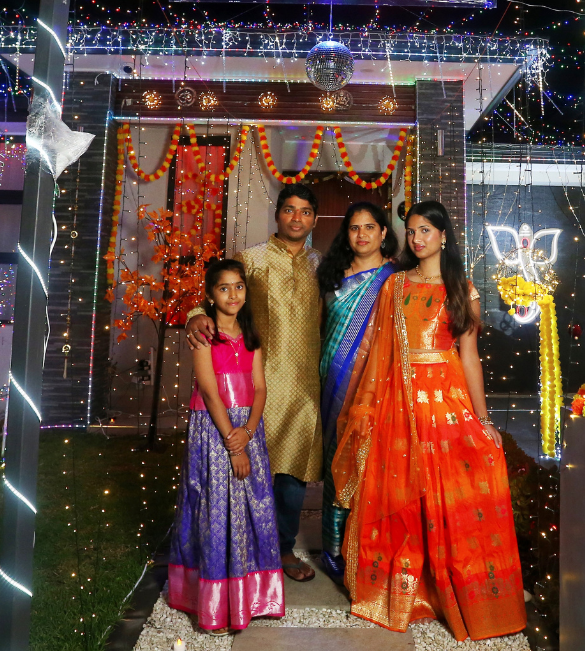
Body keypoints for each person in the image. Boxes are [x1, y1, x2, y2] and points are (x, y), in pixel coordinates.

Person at [331, 201, 526, 640]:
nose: (417, 239)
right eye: (412, 231)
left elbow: (470, 358)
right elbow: (376, 353)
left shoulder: (462, 289)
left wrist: (482, 418)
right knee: (402, 495)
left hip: (446, 402)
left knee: (453, 489)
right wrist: (370, 407)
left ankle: (451, 589)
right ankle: (404, 588)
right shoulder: (394, 286)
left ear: (443, 236)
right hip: (398, 404)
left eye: (425, 231)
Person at [186, 184, 322, 582]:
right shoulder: (253, 259)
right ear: (278, 214)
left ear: (313, 219)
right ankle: (242, 548)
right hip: (254, 383)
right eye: (290, 210)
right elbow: (217, 289)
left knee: (294, 474)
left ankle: (281, 549)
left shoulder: (321, 263)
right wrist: (196, 313)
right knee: (248, 470)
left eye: (306, 211)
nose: (297, 218)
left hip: (303, 386)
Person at [167, 259, 284, 634]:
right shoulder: (204, 334)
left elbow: (261, 388)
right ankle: (216, 603)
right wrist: (234, 443)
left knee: (254, 504)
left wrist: (248, 432)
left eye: (238, 287)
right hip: (214, 429)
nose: (232, 294)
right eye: (223, 288)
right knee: (217, 505)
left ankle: (253, 595)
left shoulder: (252, 335)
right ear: (210, 295)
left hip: (249, 429)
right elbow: (208, 389)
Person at [314, 201, 399, 577]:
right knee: (338, 461)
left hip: (377, 386)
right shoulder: (331, 278)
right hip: (334, 383)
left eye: (370, 227)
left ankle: (367, 544)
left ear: (383, 232)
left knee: (371, 463)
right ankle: (333, 547)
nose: (362, 234)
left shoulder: (396, 279)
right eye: (354, 228)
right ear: (346, 235)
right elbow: (320, 332)